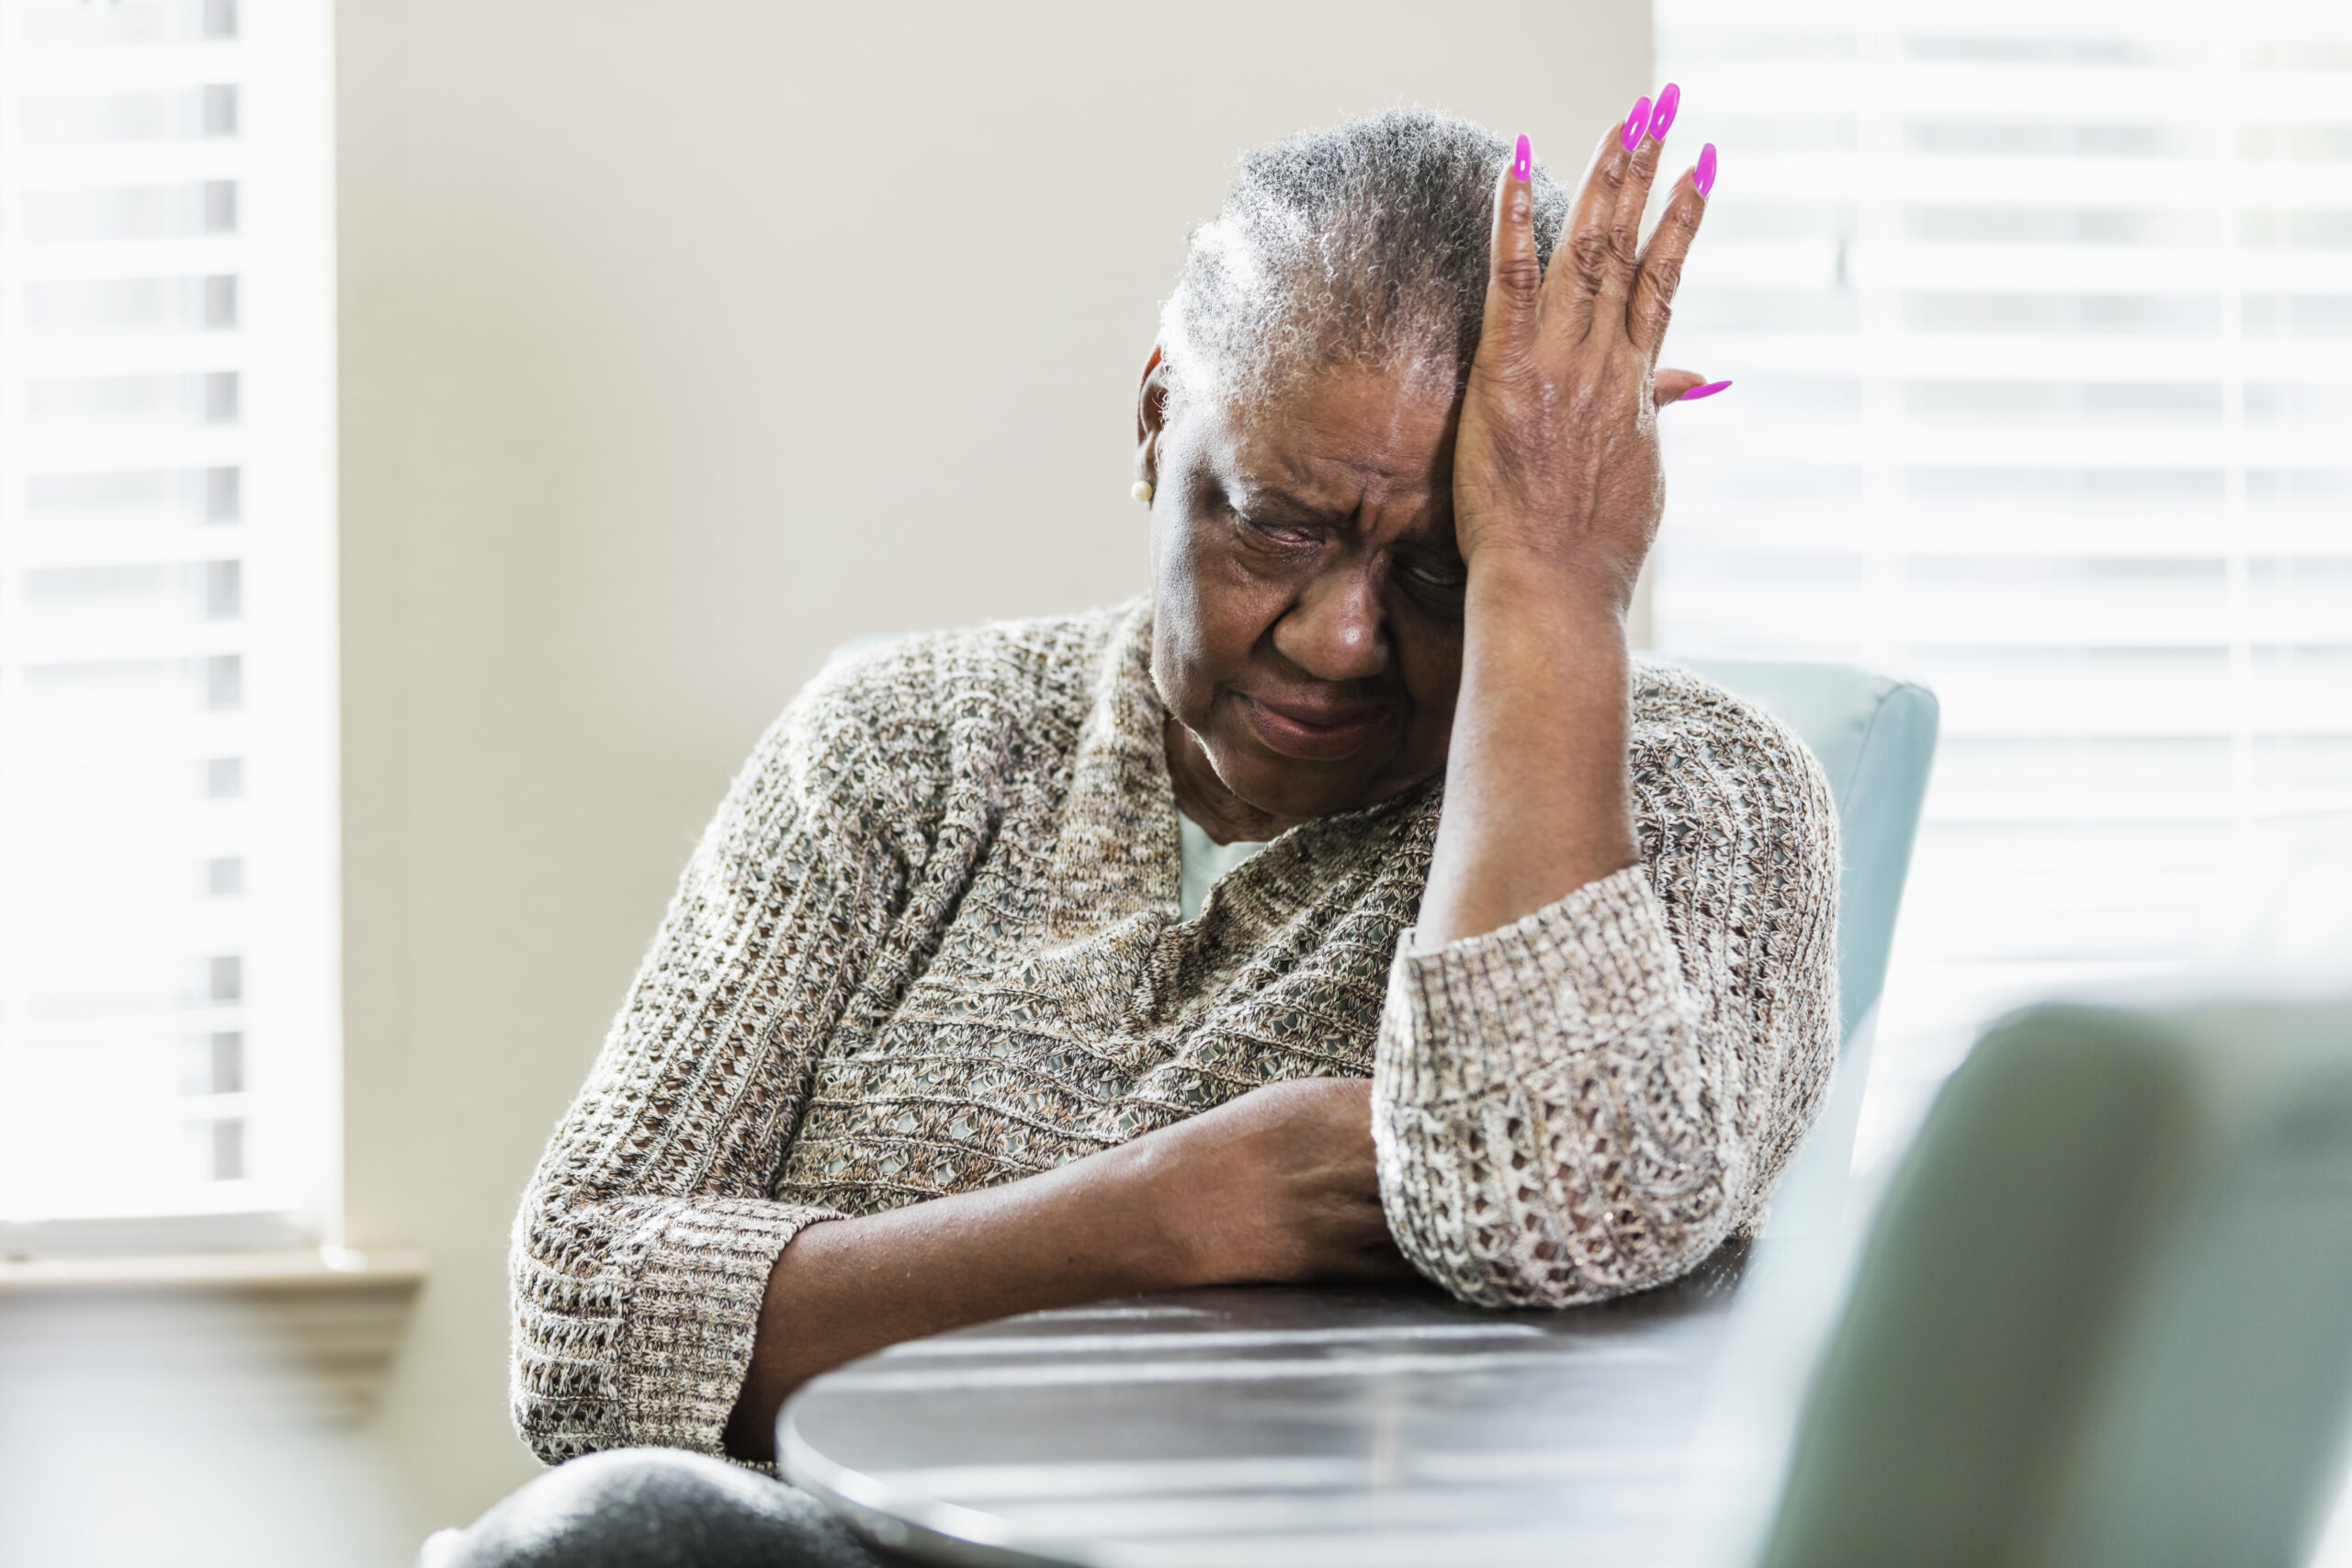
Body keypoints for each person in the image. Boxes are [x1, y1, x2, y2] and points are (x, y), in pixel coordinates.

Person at [426, 93, 1837, 1568]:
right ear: (1159, 419)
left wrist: (1552, 587)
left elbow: (1551, 1223)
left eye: (1438, 572)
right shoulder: (909, 746)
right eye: (1279, 524)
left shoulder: (1703, 797)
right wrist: (1159, 1215)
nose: (1341, 639)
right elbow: (581, 1314)